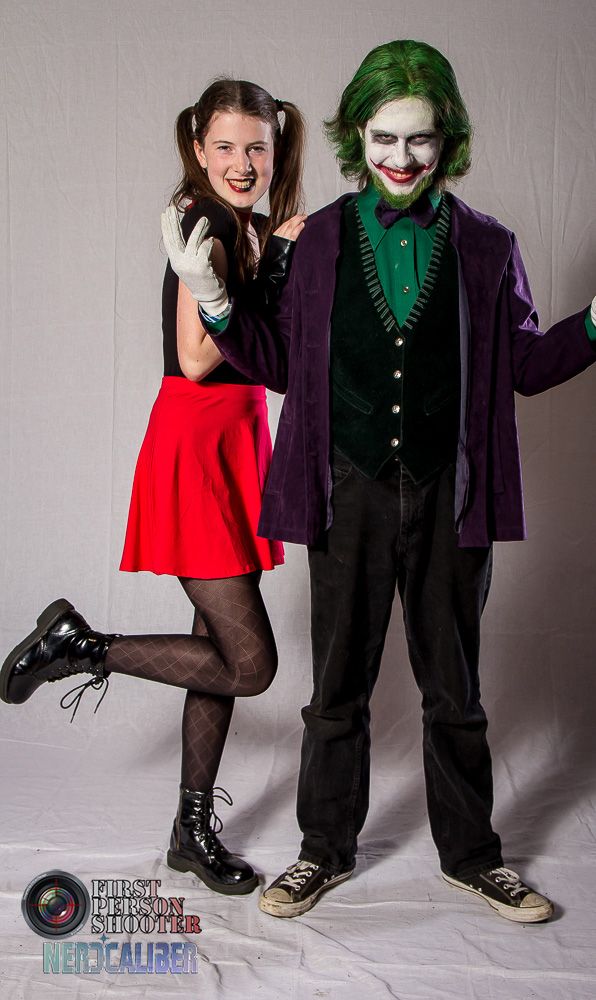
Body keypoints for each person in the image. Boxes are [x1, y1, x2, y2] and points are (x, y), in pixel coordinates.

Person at [163, 41, 596, 923]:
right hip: (344, 491)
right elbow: (278, 364)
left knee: (454, 694)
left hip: (449, 495)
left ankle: (472, 857)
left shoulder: (487, 246)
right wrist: (215, 301)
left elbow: (522, 366)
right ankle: (322, 851)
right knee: (336, 693)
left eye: (420, 139)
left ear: (448, 142)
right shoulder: (315, 240)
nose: (400, 158)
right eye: (384, 138)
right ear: (358, 138)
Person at [0, 78, 307, 897]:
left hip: (234, 438)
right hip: (197, 443)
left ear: (275, 149)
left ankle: (189, 832)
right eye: (224, 147)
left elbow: (269, 348)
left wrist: (279, 259)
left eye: (256, 147)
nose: (241, 163)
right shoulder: (204, 220)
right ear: (197, 148)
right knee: (250, 663)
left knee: (218, 652)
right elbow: (199, 357)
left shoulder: (246, 223)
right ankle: (80, 647)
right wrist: (277, 266)